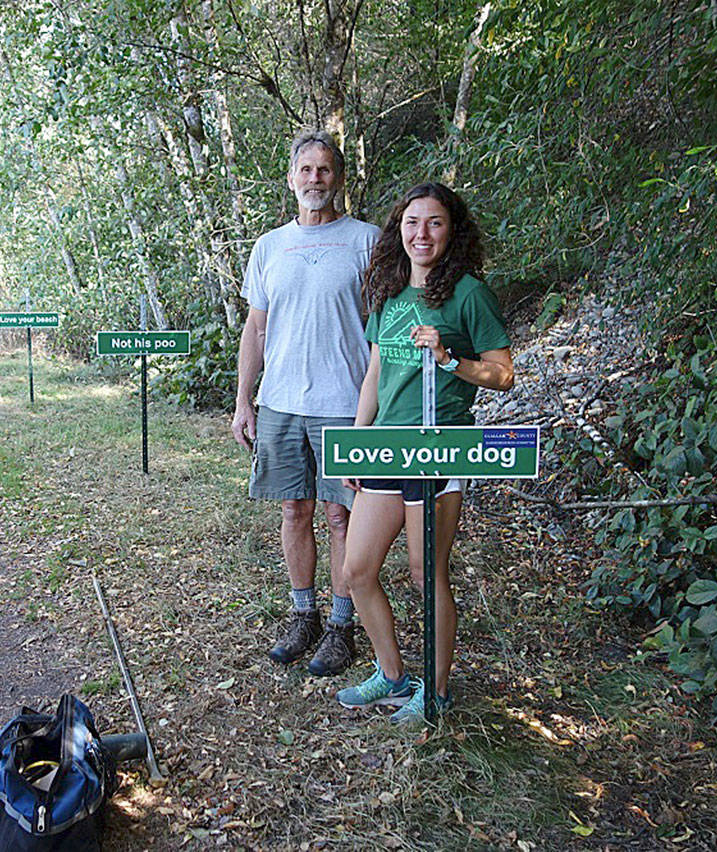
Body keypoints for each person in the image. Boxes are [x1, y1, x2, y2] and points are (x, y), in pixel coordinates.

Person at [333, 182, 514, 722]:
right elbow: (376, 373)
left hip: (439, 447)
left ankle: (435, 692)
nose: (422, 234)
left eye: (435, 223)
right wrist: (358, 444)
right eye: (412, 222)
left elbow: (503, 374)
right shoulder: (389, 292)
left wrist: (449, 359)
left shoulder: (469, 295)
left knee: (423, 572)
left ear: (451, 231)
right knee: (356, 569)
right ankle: (392, 676)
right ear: (399, 230)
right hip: (387, 447)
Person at [232, 130, 380, 676]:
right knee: (294, 510)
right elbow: (256, 329)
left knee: (340, 516)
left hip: (344, 401)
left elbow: (381, 331)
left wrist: (376, 408)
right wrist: (244, 400)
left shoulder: (366, 240)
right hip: (281, 402)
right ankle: (304, 616)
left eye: (324, 169)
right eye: (306, 169)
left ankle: (341, 626)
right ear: (291, 178)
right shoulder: (269, 246)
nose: (315, 178)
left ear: (338, 177)